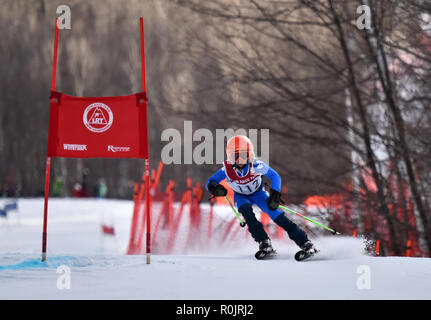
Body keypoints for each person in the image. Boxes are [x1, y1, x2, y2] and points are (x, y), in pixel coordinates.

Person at [206, 135, 317, 259]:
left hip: (259, 194)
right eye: (236, 156)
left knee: (279, 217)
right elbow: (210, 182)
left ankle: (305, 243)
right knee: (248, 215)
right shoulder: (226, 169)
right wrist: (213, 188)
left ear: (250, 153)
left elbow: (275, 176)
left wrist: (275, 194)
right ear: (230, 156)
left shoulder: (256, 165)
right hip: (241, 196)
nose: (241, 159)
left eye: (244, 154)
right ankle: (264, 243)